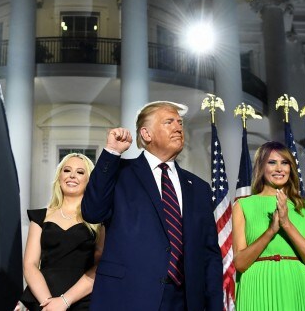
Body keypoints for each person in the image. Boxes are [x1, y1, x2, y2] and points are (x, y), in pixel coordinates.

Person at [81, 101, 223, 311]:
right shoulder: (119, 173)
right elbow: (92, 212)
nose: (178, 128)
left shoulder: (199, 188)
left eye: (180, 123)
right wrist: (111, 152)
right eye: (169, 122)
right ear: (146, 134)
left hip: (184, 302)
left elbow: (209, 255)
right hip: (127, 298)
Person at [232, 141, 305, 310]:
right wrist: (271, 230)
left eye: (285, 162)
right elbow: (240, 263)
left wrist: (286, 224)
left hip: (298, 287)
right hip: (257, 288)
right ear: (261, 167)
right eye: (272, 162)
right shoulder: (242, 206)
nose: (279, 169)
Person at [21, 153, 105, 310]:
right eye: (67, 170)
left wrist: (65, 301)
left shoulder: (100, 221)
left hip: (83, 301)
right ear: (59, 177)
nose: (72, 175)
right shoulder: (39, 217)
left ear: (89, 180)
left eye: (80, 172)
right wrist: (49, 304)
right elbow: (30, 265)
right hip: (42, 301)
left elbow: (100, 266)